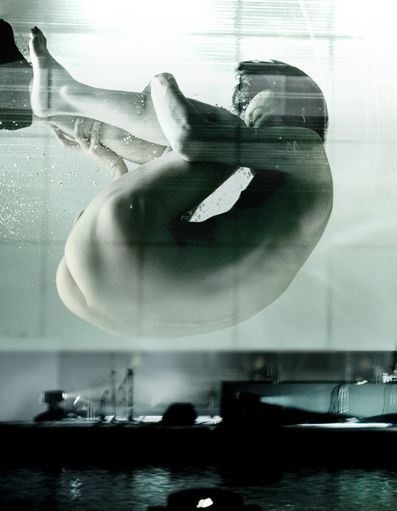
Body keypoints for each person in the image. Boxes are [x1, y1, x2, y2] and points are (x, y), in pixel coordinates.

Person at [2, 22, 333, 336]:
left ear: (298, 107)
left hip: (130, 269)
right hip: (107, 305)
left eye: (254, 103)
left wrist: (161, 84)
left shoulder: (307, 147)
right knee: (188, 151)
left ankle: (60, 97)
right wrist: (117, 170)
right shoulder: (295, 202)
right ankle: (51, 109)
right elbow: (180, 238)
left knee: (217, 130)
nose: (245, 113)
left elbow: (191, 139)